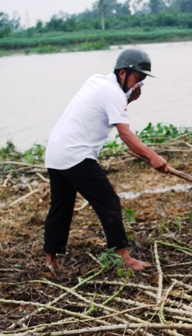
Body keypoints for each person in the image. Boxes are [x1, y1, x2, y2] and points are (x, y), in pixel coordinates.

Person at [43, 48, 168, 272]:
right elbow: (125, 135)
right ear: (123, 73)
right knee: (109, 202)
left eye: (141, 82)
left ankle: (50, 259)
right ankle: (123, 257)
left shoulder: (97, 81)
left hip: (56, 152)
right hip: (76, 154)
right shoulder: (113, 93)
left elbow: (107, 108)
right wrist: (153, 156)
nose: (138, 85)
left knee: (60, 207)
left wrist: (129, 97)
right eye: (137, 79)